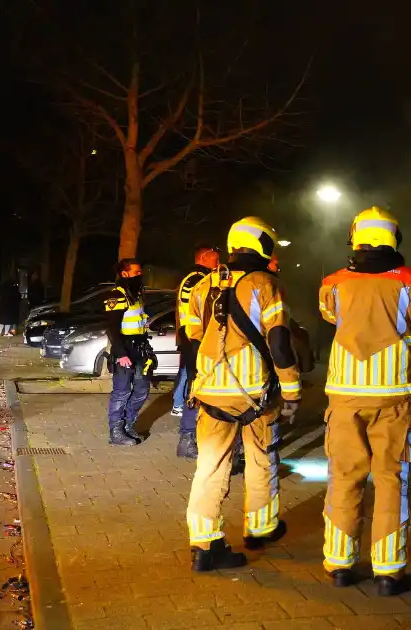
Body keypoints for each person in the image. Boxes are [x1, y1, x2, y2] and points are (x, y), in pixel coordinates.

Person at [318, 206, 411, 596]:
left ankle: (340, 565)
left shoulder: (333, 284)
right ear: (394, 239)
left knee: (344, 477)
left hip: (344, 397)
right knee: (392, 480)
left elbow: (331, 318)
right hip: (395, 397)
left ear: (355, 239)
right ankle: (388, 573)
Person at [184, 217, 302, 572]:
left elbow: (191, 341)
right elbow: (279, 342)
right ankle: (260, 527)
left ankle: (205, 545)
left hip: (211, 395)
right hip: (255, 395)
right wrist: (292, 391)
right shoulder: (266, 284)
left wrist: (198, 383)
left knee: (209, 467)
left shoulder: (204, 285)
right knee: (261, 459)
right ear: (263, 244)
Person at [173, 244, 221, 458]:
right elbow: (194, 314)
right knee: (196, 387)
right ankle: (188, 439)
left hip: (200, 341)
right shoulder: (195, 280)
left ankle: (198, 437)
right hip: (196, 342)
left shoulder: (205, 278)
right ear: (203, 258)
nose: (218, 264)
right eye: (215, 259)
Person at [104, 259, 155, 446]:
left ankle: (128, 425)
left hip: (140, 349)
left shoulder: (137, 295)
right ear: (124, 274)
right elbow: (112, 328)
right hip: (124, 350)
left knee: (142, 390)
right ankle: (116, 432)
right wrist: (121, 352)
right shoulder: (116, 296)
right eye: (136, 272)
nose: (140, 275)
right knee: (122, 391)